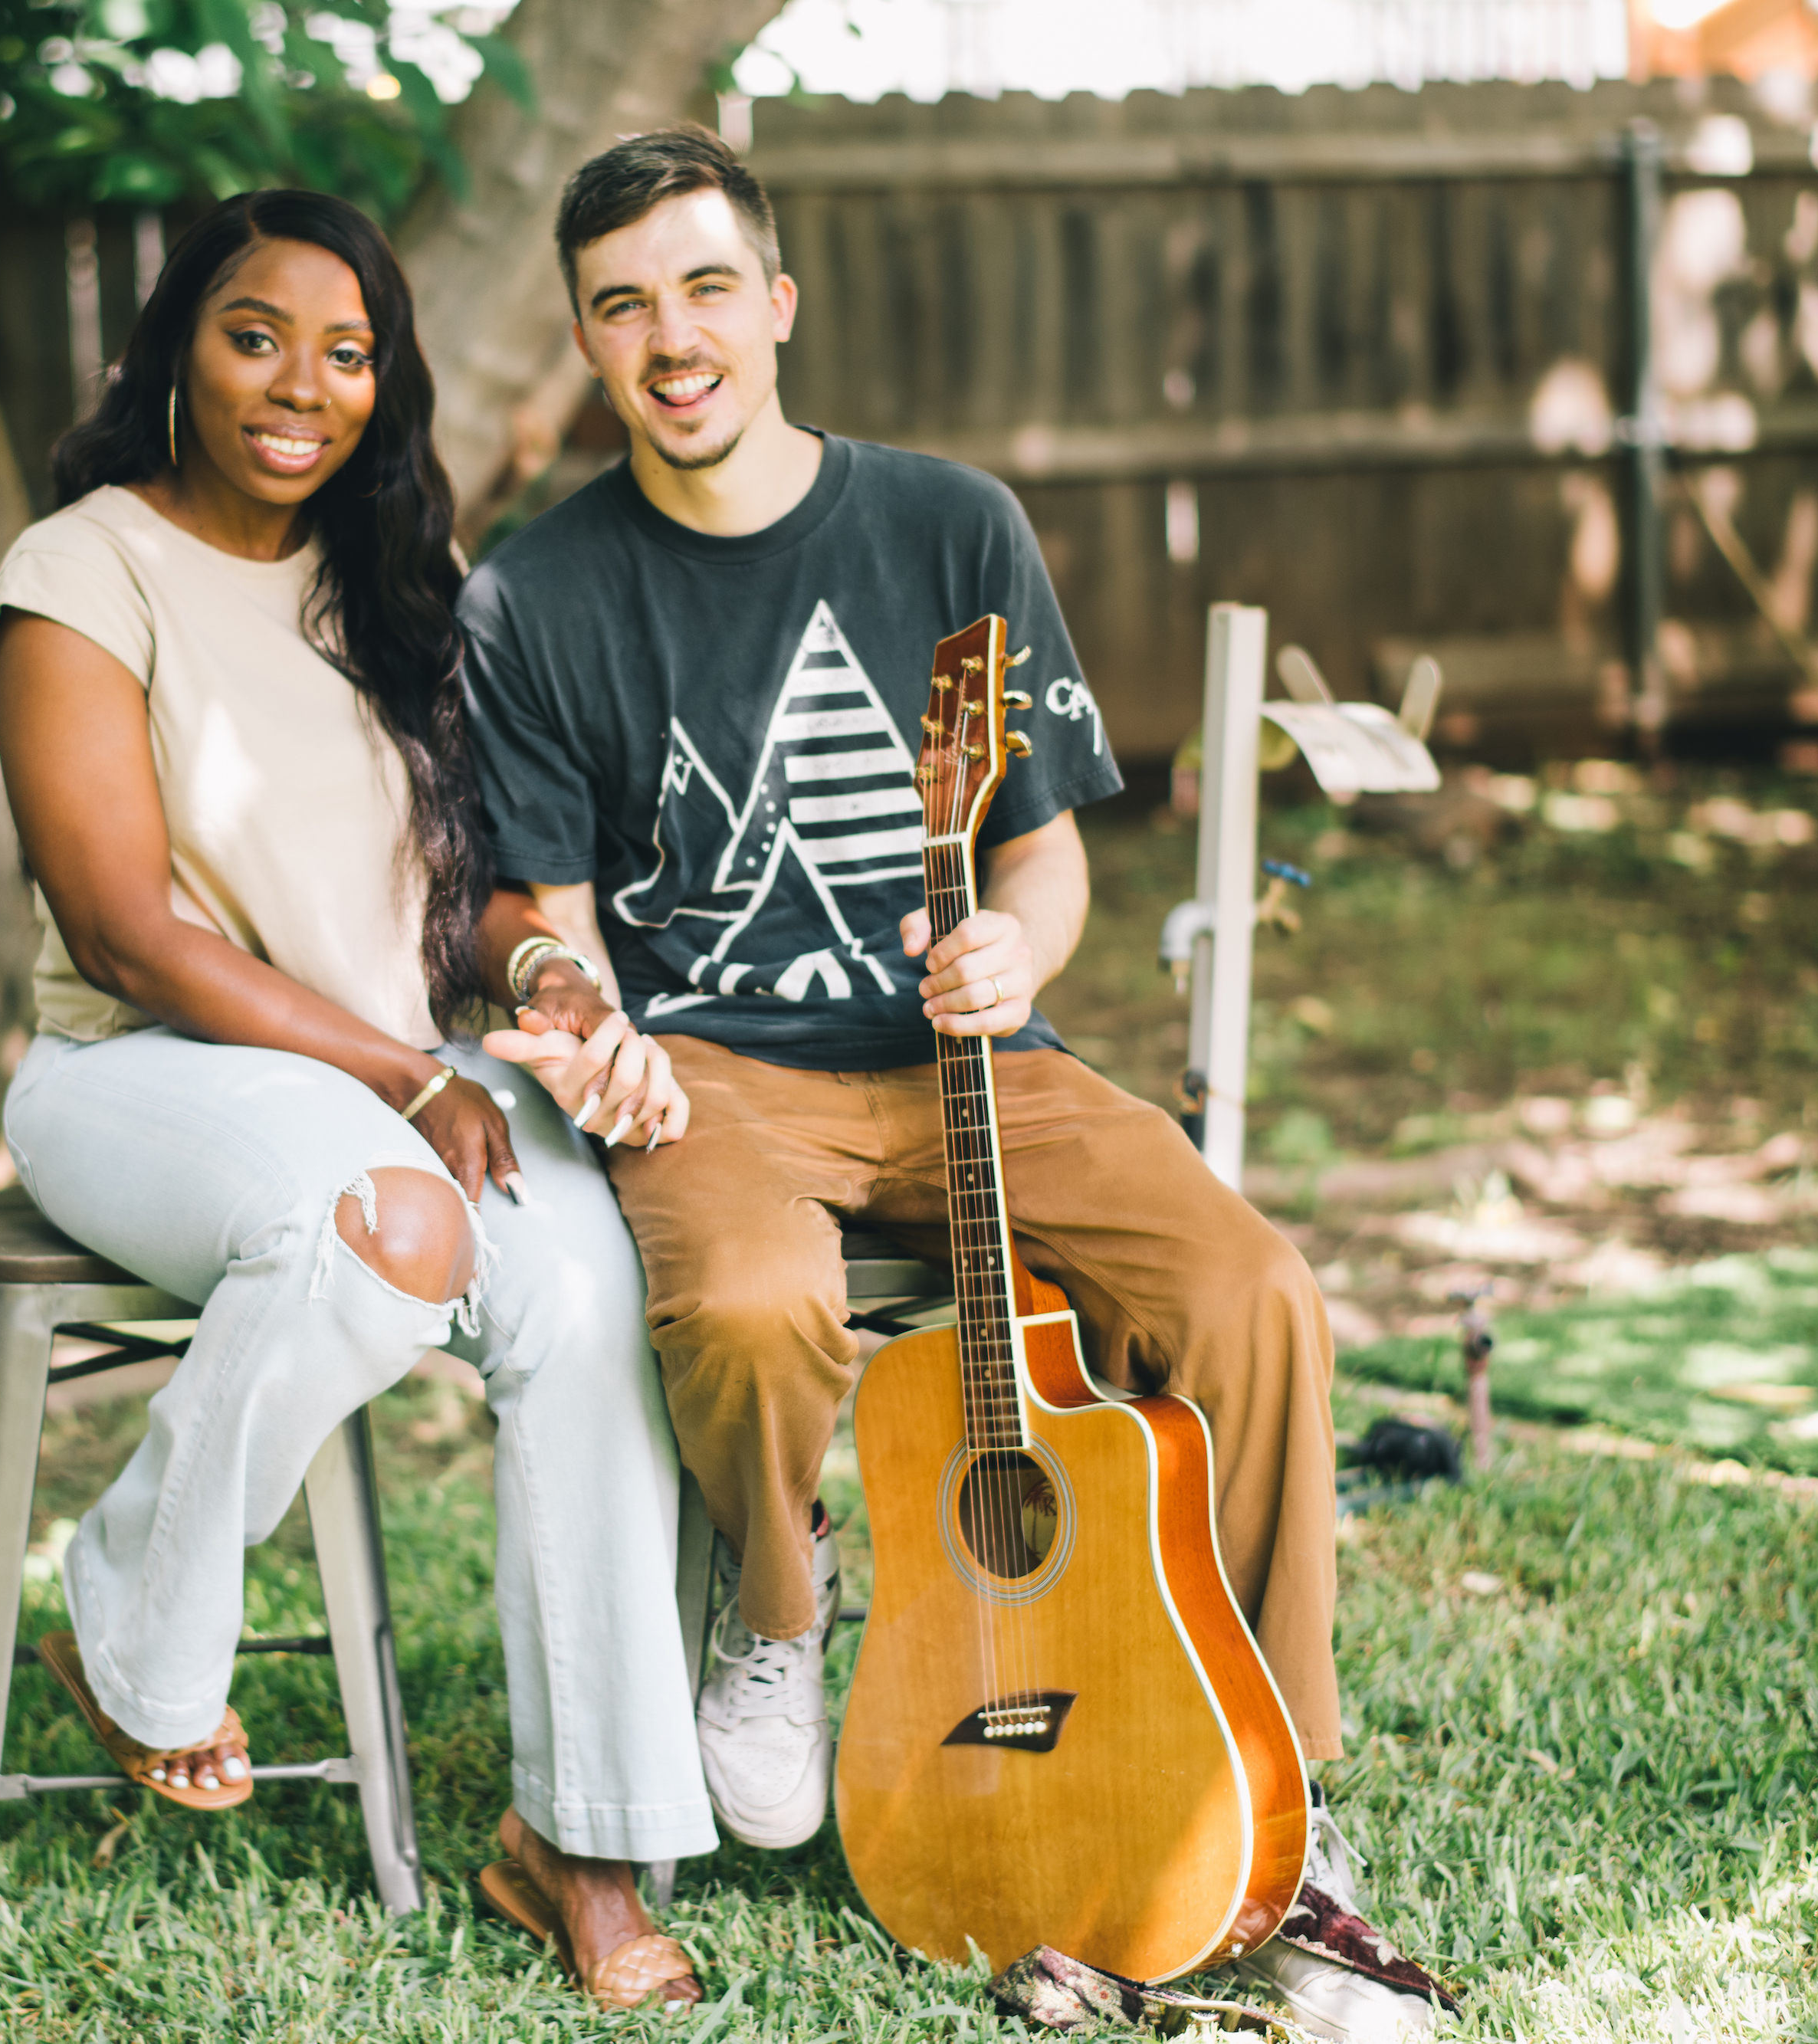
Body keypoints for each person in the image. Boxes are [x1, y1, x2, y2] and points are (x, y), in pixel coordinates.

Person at [461, 132, 1449, 2041]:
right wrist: (591, 1016)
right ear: (586, 343)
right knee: (754, 1302)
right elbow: (553, 914)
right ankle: (774, 1603)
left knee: (1249, 1293)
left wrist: (1019, 947)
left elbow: (1047, 848)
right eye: (621, 305)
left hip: (972, 1057)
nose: (671, 337)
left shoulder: (947, 526)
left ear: (777, 302)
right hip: (723, 1076)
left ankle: (1276, 1788)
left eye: (702, 286)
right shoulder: (540, 596)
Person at [0, 189, 711, 2012]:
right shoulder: (82, 569)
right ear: (174, 352)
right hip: (140, 1078)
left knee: (597, 1297)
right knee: (384, 1224)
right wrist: (397, 1076)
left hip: (399, 1075)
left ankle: (582, 1847)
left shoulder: (391, 599)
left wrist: (539, 985)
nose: (302, 382)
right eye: (253, 333)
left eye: (348, 350)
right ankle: (130, 1612)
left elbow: (494, 890)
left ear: (386, 386)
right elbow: (124, 930)